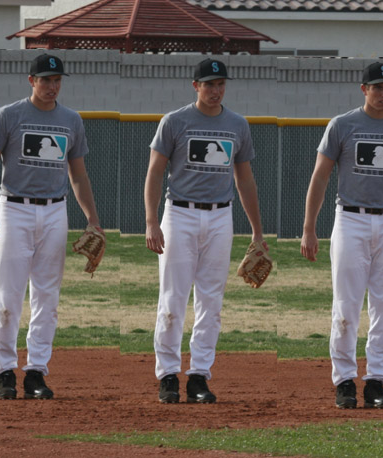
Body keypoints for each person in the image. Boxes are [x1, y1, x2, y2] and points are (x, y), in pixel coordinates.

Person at [300, 62, 383, 409]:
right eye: (377, 87)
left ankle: (376, 381)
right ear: (364, 89)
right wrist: (309, 228)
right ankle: (345, 381)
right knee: (346, 305)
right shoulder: (342, 125)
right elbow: (320, 177)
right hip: (351, 220)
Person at [0, 54, 102, 400]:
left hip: (55, 211)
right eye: (46, 79)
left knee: (47, 296)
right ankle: (4, 370)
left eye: (57, 79)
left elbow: (78, 175)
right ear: (31, 80)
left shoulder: (71, 120)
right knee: (8, 296)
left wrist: (92, 219)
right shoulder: (9, 115)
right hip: (13, 209)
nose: (52, 86)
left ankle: (36, 371)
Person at [144, 58, 267, 404]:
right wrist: (151, 221)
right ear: (195, 86)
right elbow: (155, 171)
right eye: (209, 84)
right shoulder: (175, 122)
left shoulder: (237, 124)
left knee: (211, 301)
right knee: (173, 300)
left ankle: (199, 375)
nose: (216, 90)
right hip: (179, 214)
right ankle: (168, 375)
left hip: (220, 217)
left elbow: (245, 180)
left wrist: (257, 232)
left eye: (221, 84)